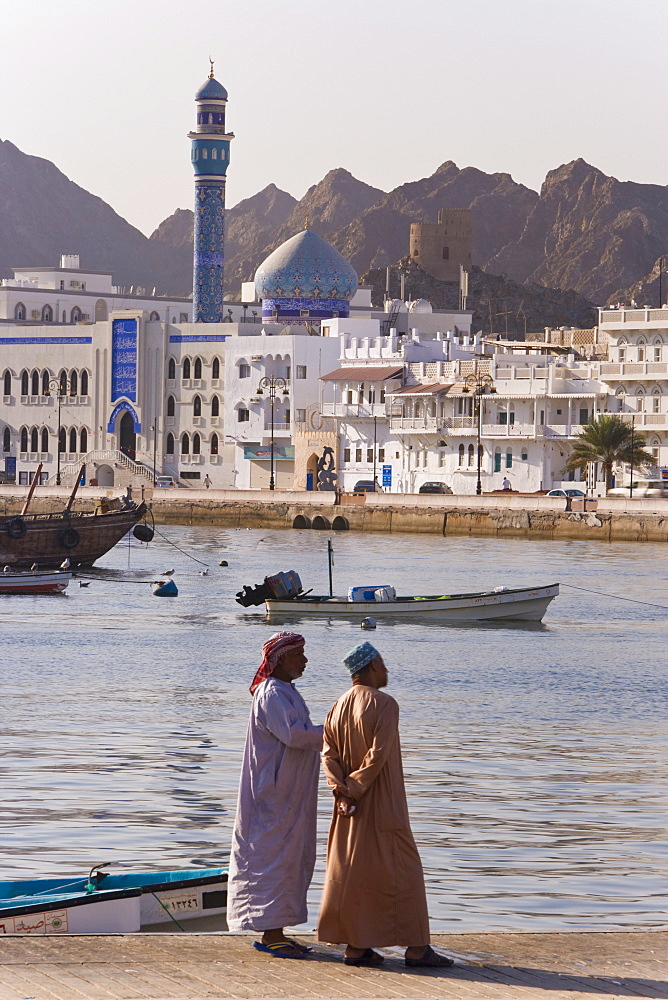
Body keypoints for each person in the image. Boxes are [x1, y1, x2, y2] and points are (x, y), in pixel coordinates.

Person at [317, 641, 453, 970]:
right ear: (372, 667)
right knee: (404, 870)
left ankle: (356, 947)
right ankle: (418, 949)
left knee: (355, 873)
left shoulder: (337, 705)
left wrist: (341, 791)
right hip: (380, 803)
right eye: (384, 664)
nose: (387, 670)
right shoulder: (385, 704)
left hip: (348, 807)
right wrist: (356, 789)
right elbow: (377, 755)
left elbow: (327, 755)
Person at [227, 632, 323, 958]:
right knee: (272, 859)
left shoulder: (287, 692)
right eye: (299, 655)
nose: (305, 661)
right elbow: (295, 735)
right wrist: (338, 730)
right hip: (272, 796)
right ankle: (270, 933)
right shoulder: (272, 694)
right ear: (280, 659)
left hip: (288, 795)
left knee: (290, 859)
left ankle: (277, 931)